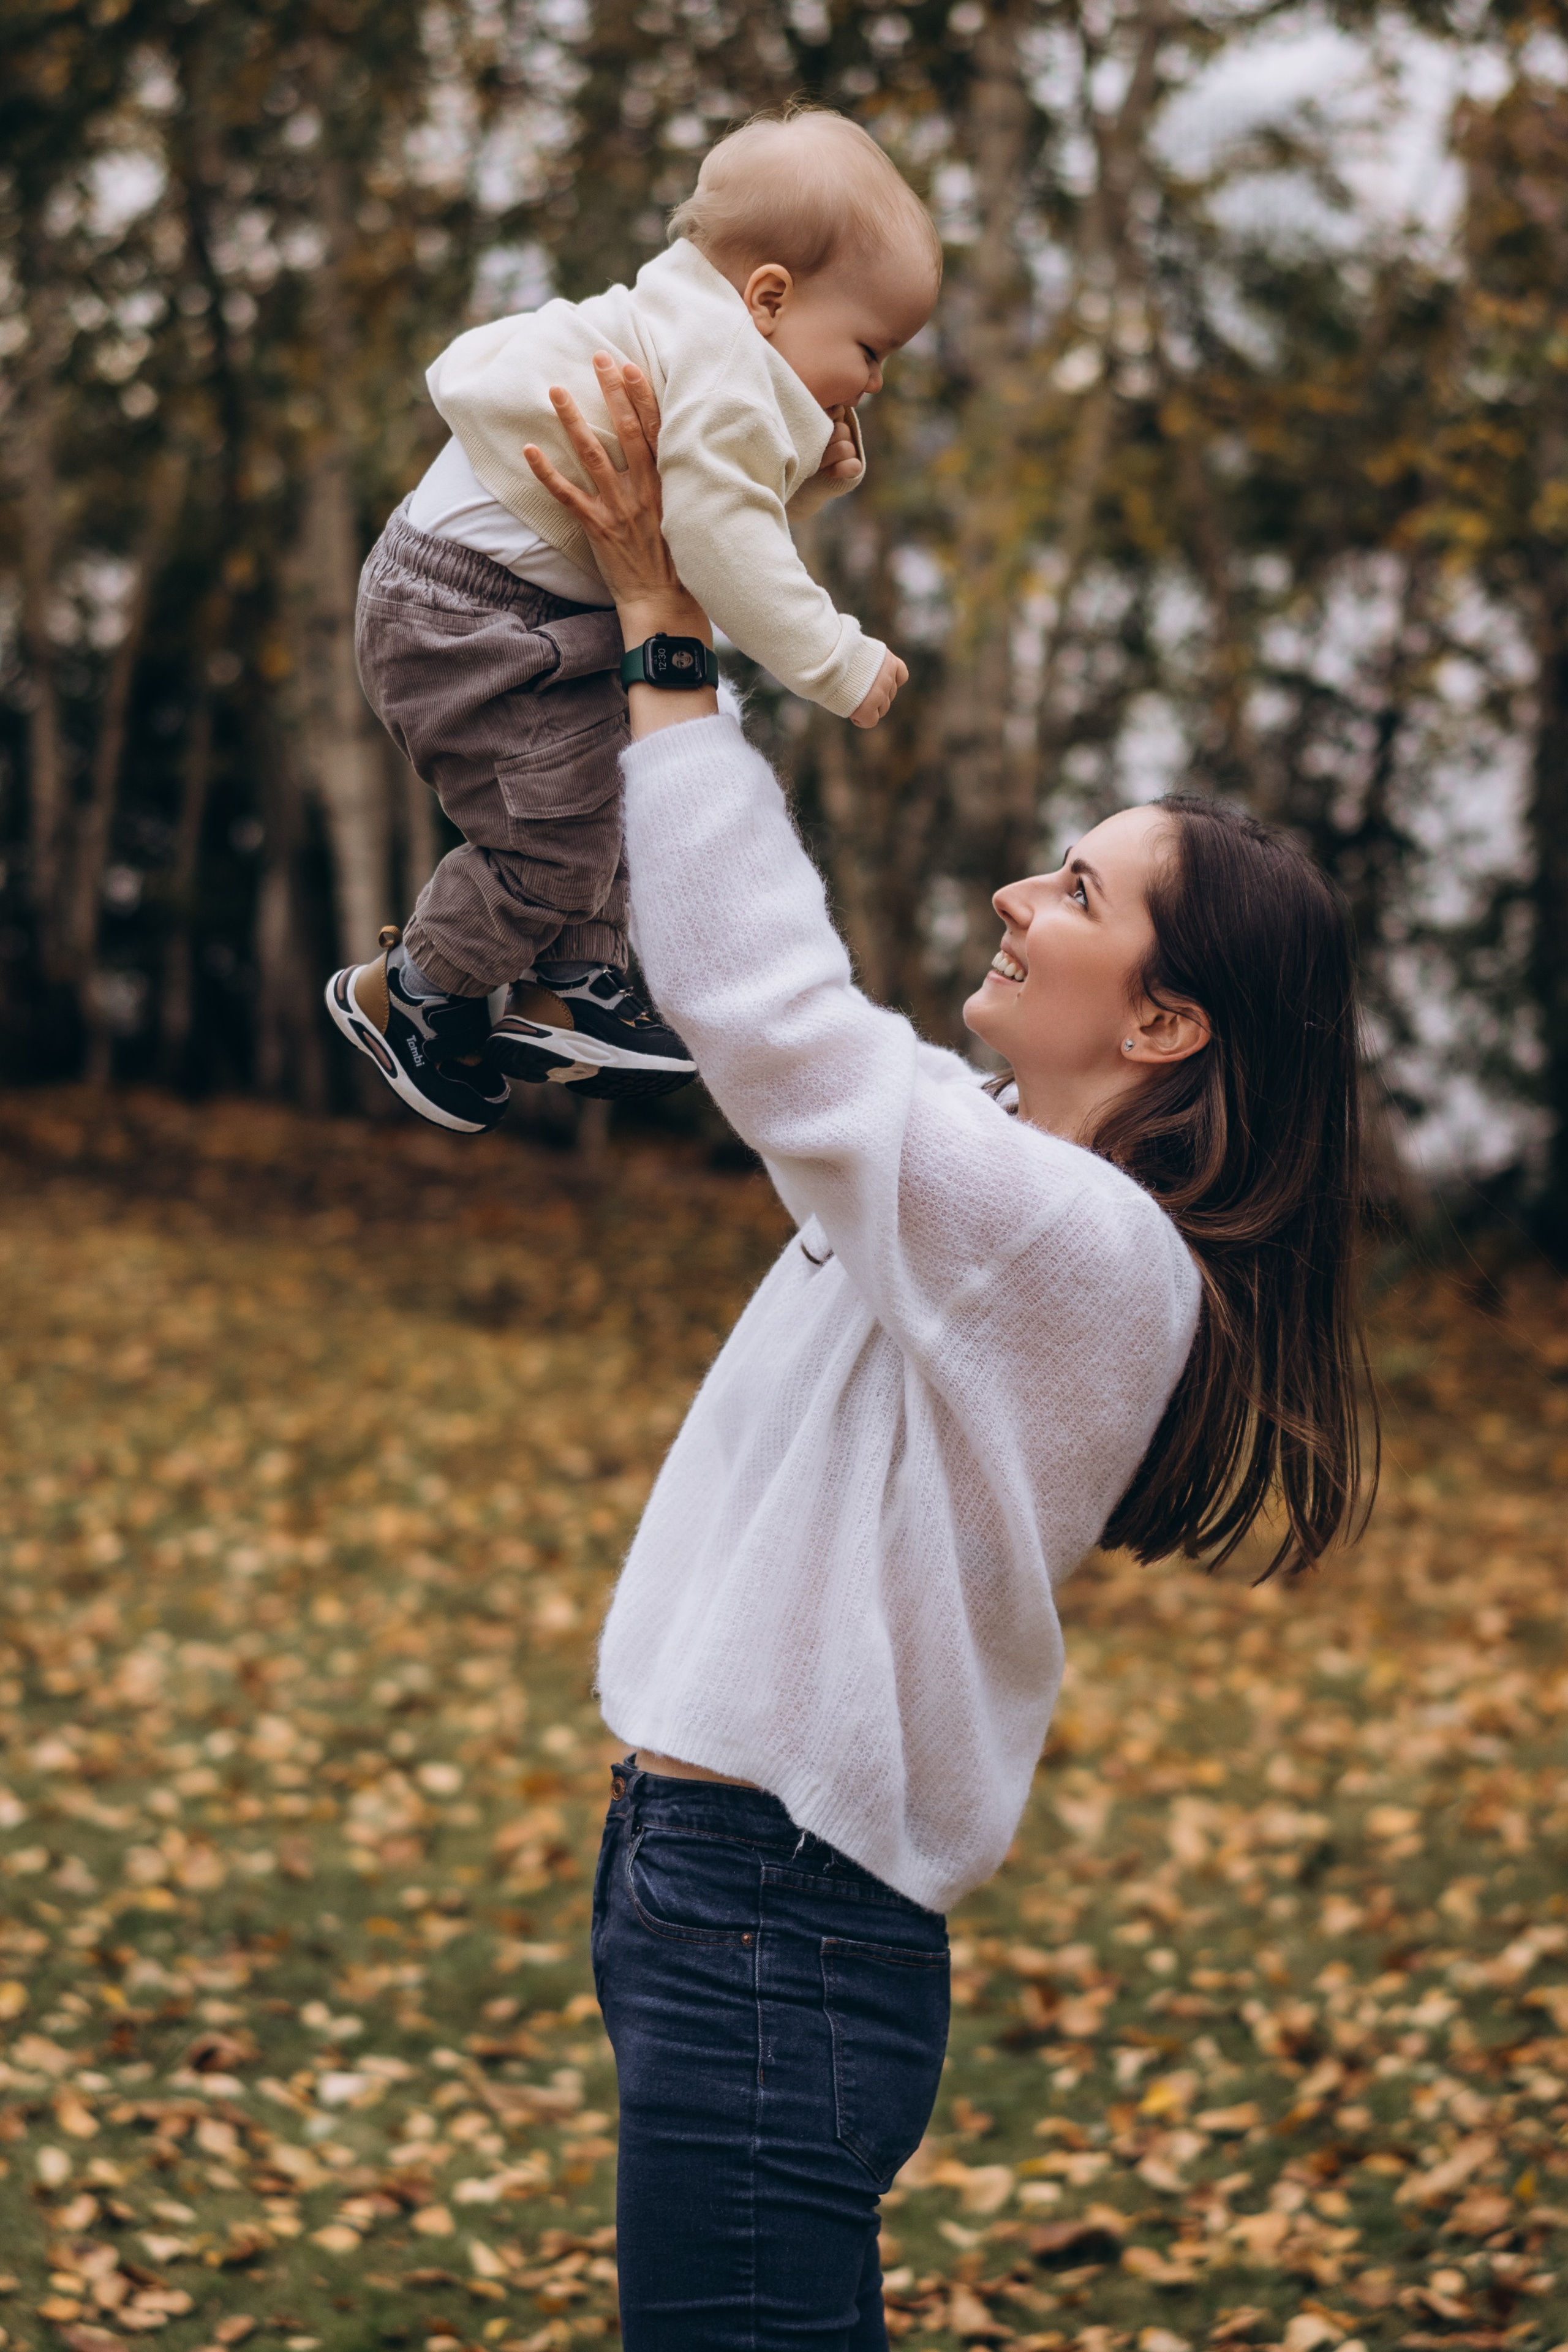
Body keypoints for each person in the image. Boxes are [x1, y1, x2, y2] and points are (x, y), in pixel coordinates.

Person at [527, 366, 1376, 2350]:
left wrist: (673, 625)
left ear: (1167, 1026)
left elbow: (775, 1013)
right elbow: (747, 1014)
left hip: (768, 1912)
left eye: (1076, 892)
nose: (1015, 893)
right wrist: (746, 517)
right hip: (725, 1890)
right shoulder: (994, 1186)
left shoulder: (1079, 1252)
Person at [325, 108, 938, 1134]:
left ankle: (581, 987)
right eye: (871, 349)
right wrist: (837, 659)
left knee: (615, 793)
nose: (874, 381)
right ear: (771, 298)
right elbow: (719, 539)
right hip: (465, 613)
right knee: (547, 844)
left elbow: (708, 514)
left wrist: (813, 485)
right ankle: (416, 989)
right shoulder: (731, 380)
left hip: (492, 602)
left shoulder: (692, 339)